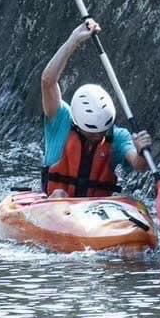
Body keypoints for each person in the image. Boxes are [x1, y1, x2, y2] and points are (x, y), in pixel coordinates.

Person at [39, 19, 152, 198]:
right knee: (60, 194)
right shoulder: (60, 119)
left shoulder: (118, 136)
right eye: (91, 133)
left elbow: (139, 165)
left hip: (96, 211)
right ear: (77, 123)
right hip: (57, 205)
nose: (98, 137)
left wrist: (142, 152)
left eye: (101, 132)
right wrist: (73, 40)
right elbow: (47, 81)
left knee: (121, 199)